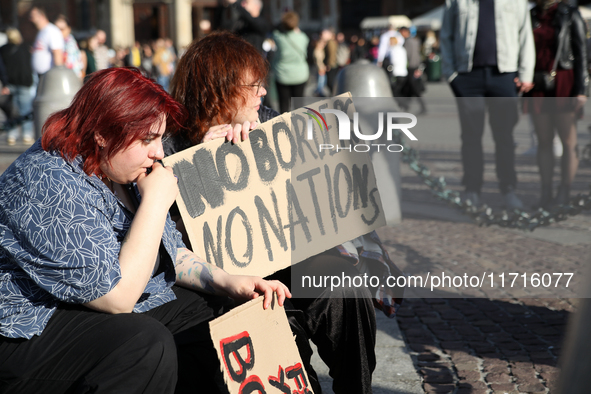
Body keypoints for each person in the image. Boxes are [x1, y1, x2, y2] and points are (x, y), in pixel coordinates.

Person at [0, 67, 289, 393]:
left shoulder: (121, 165)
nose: (159, 153)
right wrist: (155, 202)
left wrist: (229, 282)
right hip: (29, 330)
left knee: (219, 312)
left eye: (160, 138)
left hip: (92, 305)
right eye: (148, 140)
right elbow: (116, 298)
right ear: (103, 135)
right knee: (144, 343)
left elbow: (169, 252)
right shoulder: (46, 181)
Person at [166, 31, 403, 394]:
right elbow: (168, 239)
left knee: (344, 287)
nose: (264, 91)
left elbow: (321, 198)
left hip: (285, 263)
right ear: (219, 90)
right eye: (254, 85)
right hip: (222, 284)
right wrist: (202, 161)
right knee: (289, 369)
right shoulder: (170, 144)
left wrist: (264, 150)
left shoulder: (269, 120)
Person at [440, 0, 536, 209]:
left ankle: (508, 188)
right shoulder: (457, 1)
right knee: (471, 136)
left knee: (505, 137)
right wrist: (451, 75)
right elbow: (446, 35)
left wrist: (526, 73)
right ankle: (472, 190)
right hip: (467, 77)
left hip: (504, 75)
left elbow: (525, 35)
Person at [527, 0, 588, 208]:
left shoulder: (569, 13)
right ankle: (546, 192)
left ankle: (564, 191)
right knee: (543, 141)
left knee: (568, 141)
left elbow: (581, 53)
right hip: (538, 82)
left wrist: (581, 90)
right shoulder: (532, 14)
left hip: (565, 80)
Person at [0, 28, 34, 146]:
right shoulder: (25, 48)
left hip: (10, 83)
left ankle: (11, 135)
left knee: (11, 112)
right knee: (25, 110)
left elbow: (2, 68)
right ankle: (27, 135)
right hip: (24, 82)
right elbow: (29, 66)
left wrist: (4, 84)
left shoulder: (3, 50)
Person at [271, 11, 309, 114]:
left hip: (282, 74)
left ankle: (284, 128)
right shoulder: (303, 37)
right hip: (300, 75)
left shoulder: (278, 37)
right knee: (299, 105)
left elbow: (275, 29)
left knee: (283, 106)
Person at [29, 7, 64, 77]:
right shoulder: (42, 31)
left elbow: (57, 53)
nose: (31, 19)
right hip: (39, 75)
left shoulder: (51, 31)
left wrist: (57, 75)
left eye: (33, 16)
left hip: (48, 76)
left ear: (41, 16)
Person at [399, 26, 427, 115]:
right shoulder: (414, 41)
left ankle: (423, 107)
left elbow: (412, 56)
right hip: (413, 67)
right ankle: (405, 106)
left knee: (414, 88)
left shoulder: (408, 42)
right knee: (409, 88)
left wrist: (417, 68)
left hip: (411, 67)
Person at [54, 15, 84, 80]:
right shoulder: (60, 42)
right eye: (57, 29)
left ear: (69, 29)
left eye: (62, 29)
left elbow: (71, 66)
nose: (59, 32)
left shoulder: (69, 44)